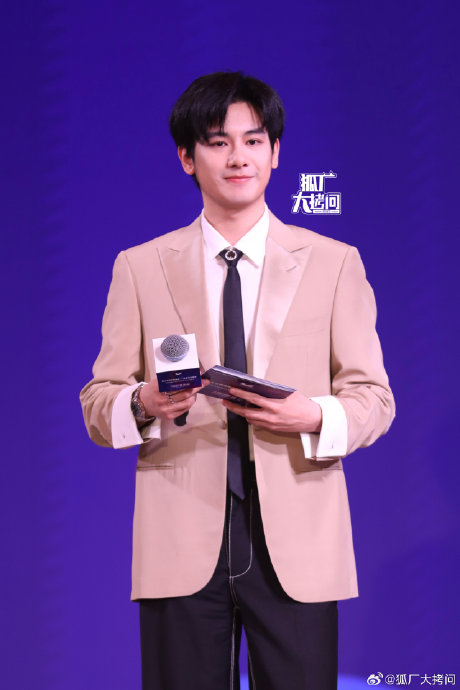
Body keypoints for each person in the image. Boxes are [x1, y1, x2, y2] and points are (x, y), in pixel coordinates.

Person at [80, 71, 395, 690]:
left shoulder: (334, 263)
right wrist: (143, 402)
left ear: (275, 153)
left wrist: (314, 416)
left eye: (253, 141)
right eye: (218, 142)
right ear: (187, 157)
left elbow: (374, 398)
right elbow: (98, 400)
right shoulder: (140, 267)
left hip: (297, 538)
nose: (238, 157)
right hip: (181, 533)